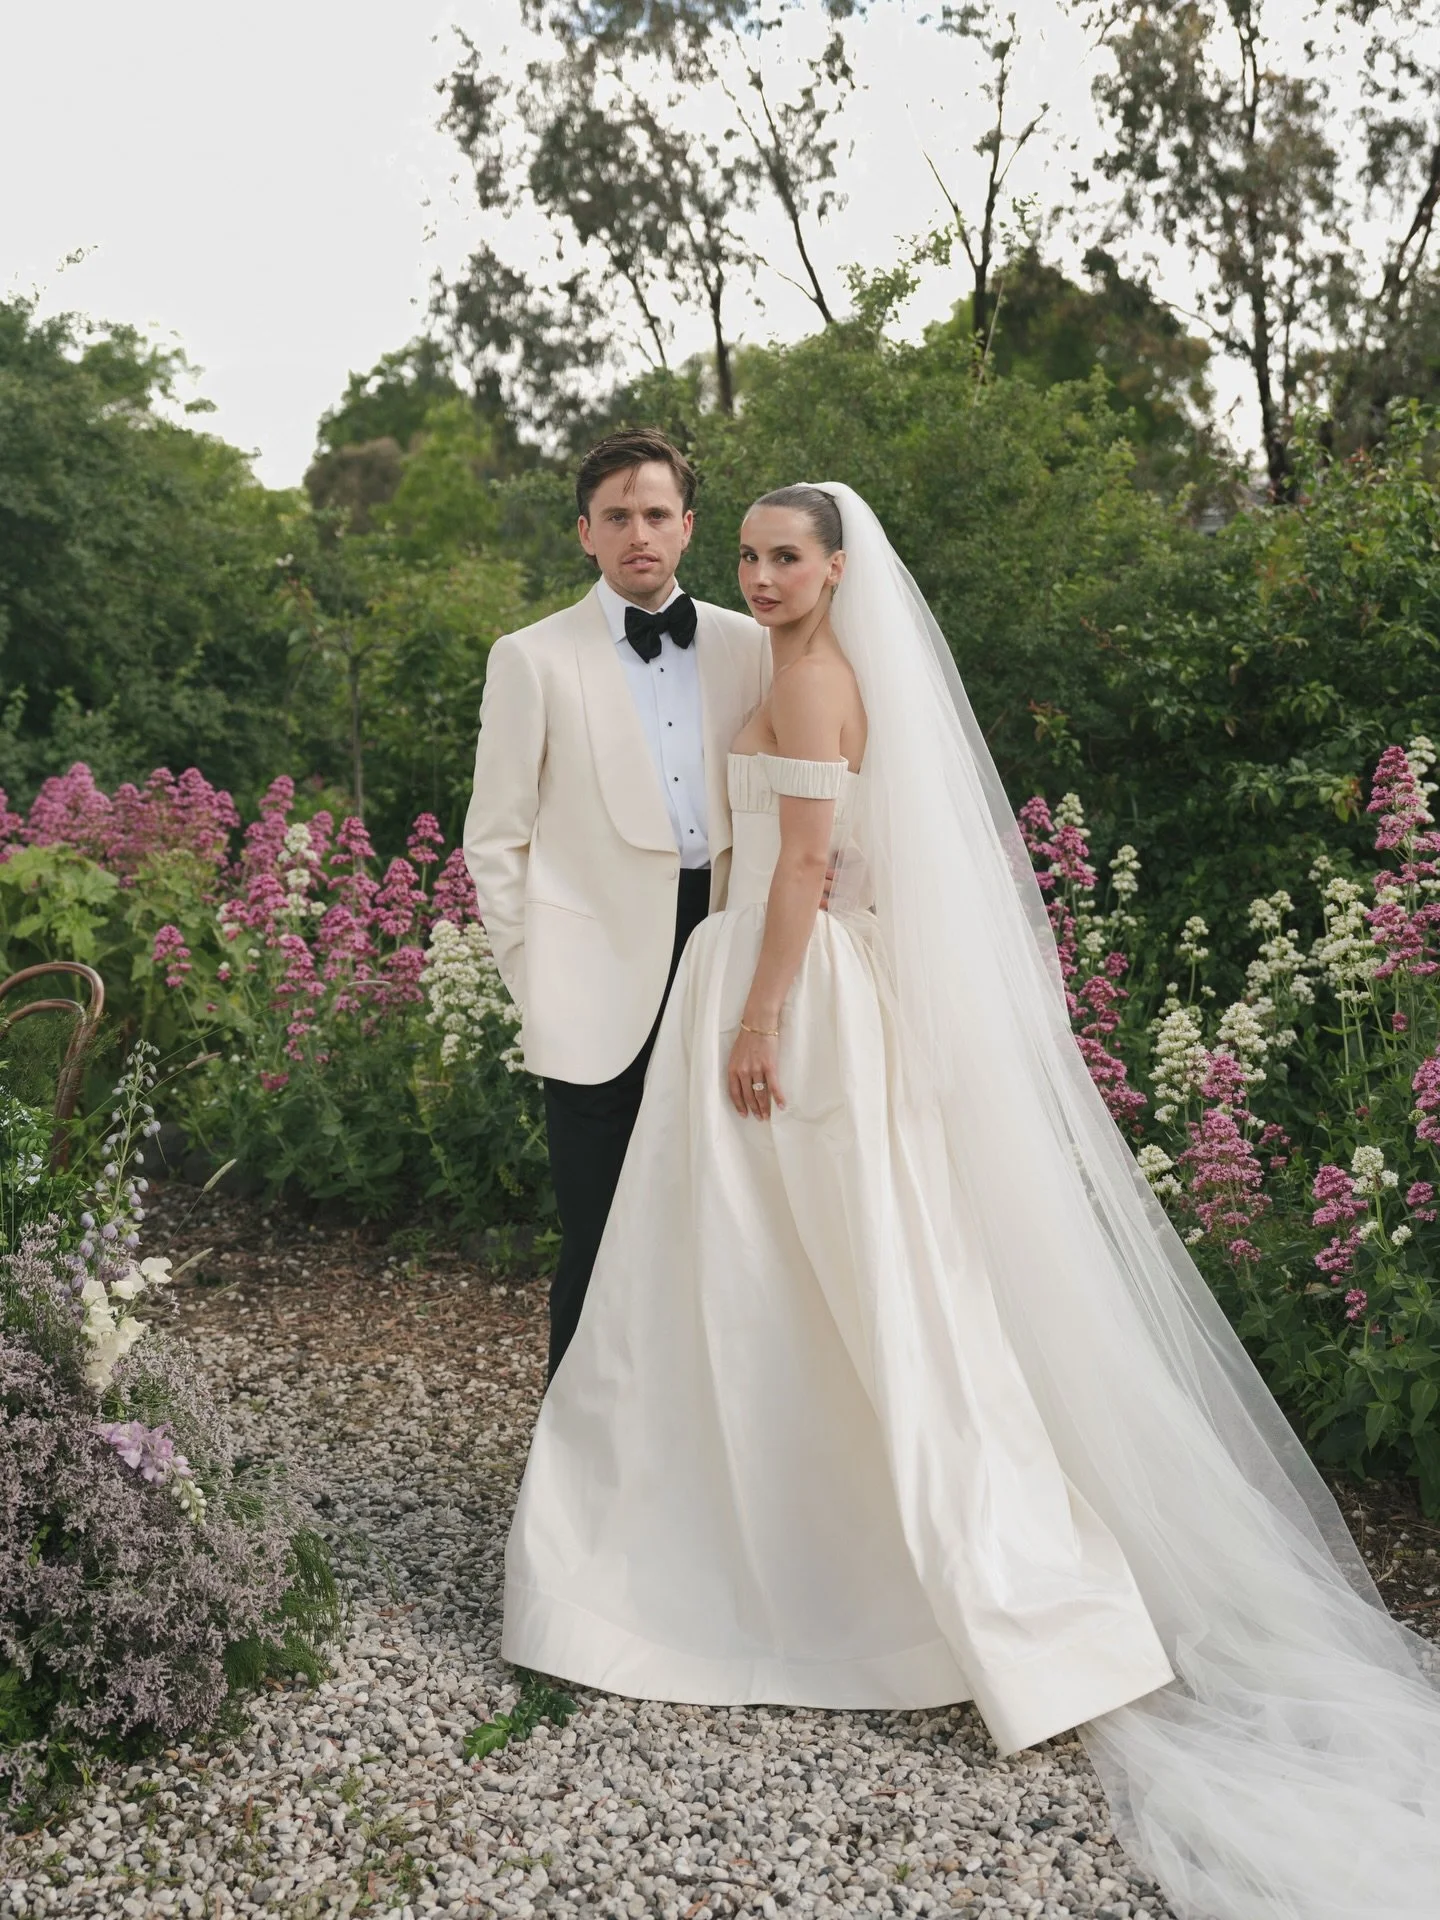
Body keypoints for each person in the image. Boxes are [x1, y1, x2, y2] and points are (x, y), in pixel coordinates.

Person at [504, 483, 1440, 1920]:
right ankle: (735, 1535)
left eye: (783, 554)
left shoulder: (815, 682)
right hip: (756, 987)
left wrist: (757, 1019)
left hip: (790, 1000)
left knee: (838, 1278)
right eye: (747, 553)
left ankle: (852, 1573)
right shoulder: (780, 662)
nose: (759, 574)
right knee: (746, 1280)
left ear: (834, 566)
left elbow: (806, 867)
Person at [463, 429, 767, 1381]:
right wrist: (537, 977)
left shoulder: (749, 645)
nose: (640, 533)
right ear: (584, 534)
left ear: (687, 527)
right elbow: (495, 839)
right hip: (592, 983)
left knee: (727, 1234)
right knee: (597, 1247)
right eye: (618, 517)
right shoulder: (530, 658)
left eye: (657, 514)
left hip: (726, 956)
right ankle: (575, 1498)